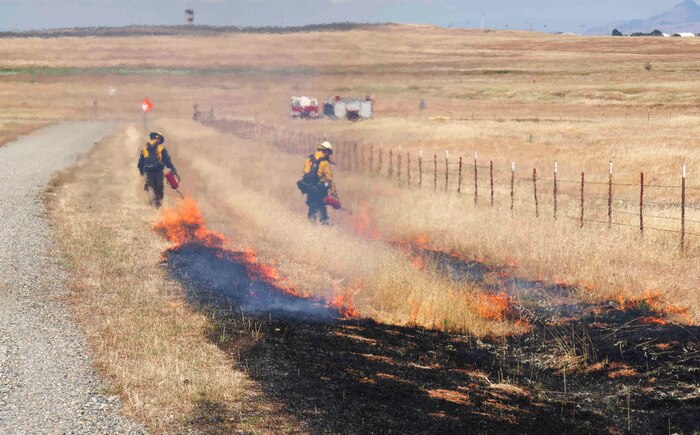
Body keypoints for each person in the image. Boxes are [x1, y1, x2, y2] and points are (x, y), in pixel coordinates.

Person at [300, 141, 337, 224]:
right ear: (326, 151)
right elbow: (330, 179)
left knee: (312, 210)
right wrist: (334, 194)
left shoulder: (309, 158)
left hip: (309, 189)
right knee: (322, 212)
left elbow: (304, 173)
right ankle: (324, 229)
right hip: (319, 191)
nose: (329, 155)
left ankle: (310, 227)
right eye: (329, 153)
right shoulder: (325, 163)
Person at [137, 132, 177, 208]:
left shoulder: (145, 149)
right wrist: (172, 169)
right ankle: (157, 206)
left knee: (150, 188)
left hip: (148, 173)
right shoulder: (161, 148)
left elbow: (140, 163)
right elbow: (167, 160)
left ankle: (152, 205)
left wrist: (142, 172)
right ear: (157, 138)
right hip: (158, 172)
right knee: (158, 189)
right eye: (159, 139)